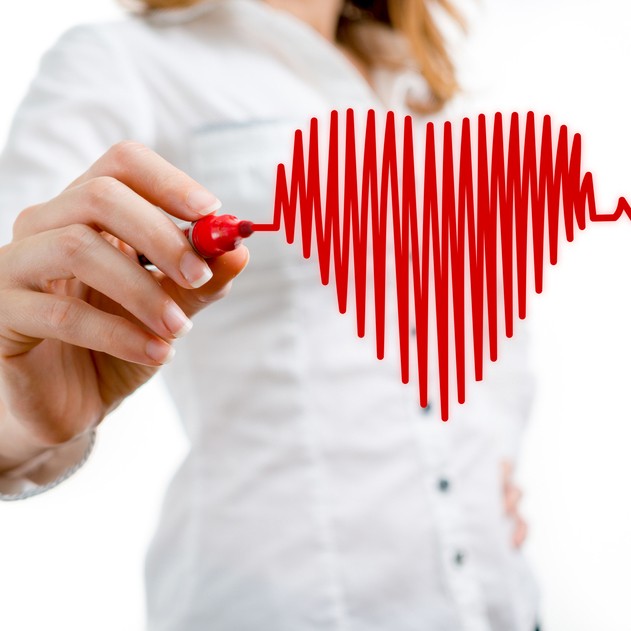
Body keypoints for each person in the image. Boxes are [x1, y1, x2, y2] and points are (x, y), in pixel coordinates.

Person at [0, 1, 538, 629]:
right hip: (283, 602)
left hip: (499, 602)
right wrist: (22, 420)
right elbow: (21, 322)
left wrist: (489, 463)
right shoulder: (124, 62)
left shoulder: (424, 91)